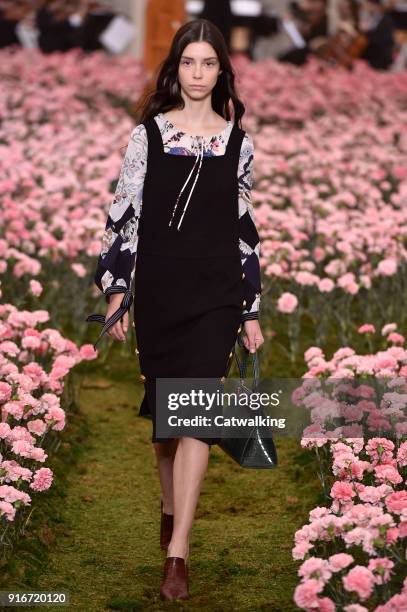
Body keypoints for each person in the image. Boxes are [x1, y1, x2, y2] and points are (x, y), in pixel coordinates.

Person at [86, 17, 264, 601]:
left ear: (222, 70)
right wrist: (119, 291)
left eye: (208, 63)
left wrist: (251, 308)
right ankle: (169, 509)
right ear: (175, 68)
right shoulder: (149, 136)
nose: (197, 73)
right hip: (162, 289)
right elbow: (125, 212)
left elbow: (243, 228)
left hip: (216, 294)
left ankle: (178, 551)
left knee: (195, 417)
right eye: (188, 62)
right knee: (167, 422)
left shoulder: (239, 142)